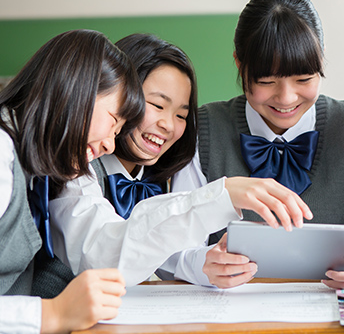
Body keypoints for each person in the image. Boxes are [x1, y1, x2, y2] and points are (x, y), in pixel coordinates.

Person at [167, 0, 344, 289]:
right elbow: (170, 240)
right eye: (267, 82)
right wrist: (202, 264)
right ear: (239, 64)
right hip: (225, 312)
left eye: (303, 79)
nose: (286, 98)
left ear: (321, 61)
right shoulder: (204, 128)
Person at [49, 33, 313, 287]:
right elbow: (104, 255)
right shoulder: (78, 163)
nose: (167, 125)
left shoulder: (159, 175)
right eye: (157, 105)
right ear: (121, 97)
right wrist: (221, 196)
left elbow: (162, 256)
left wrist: (206, 263)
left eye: (181, 116)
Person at [0, 29, 145, 333]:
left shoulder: (38, 173)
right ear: (76, 91)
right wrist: (52, 314)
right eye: (113, 122)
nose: (111, 145)